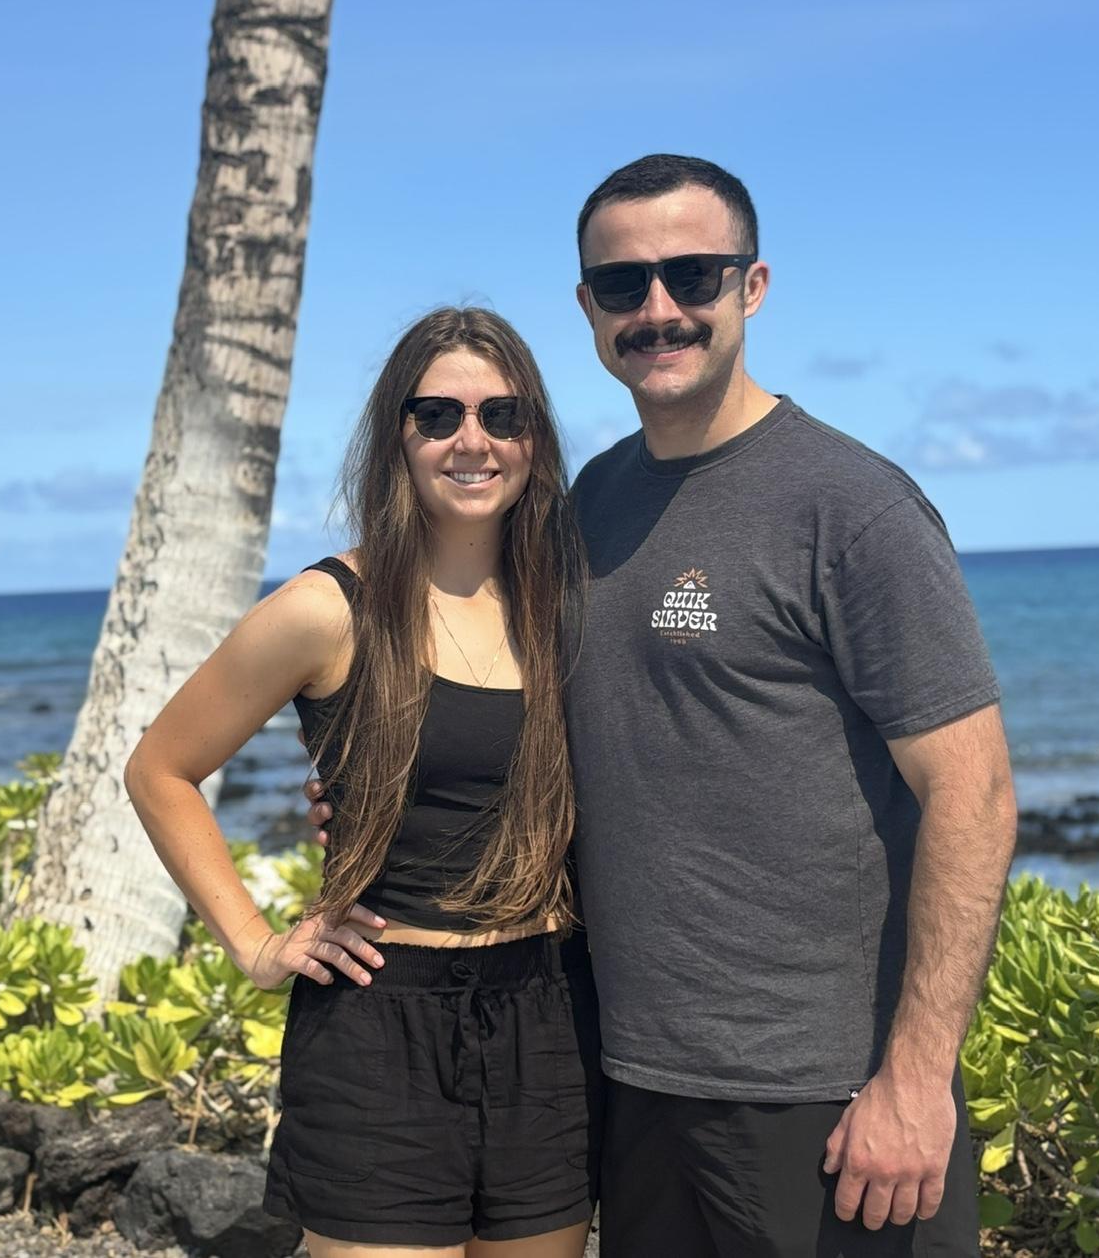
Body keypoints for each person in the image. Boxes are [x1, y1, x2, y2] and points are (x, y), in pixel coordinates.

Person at [312, 156, 1018, 1257]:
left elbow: (974, 794)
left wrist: (917, 1079)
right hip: (627, 1077)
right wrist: (371, 798)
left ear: (752, 286)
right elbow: (526, 714)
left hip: (825, 1094)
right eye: (622, 284)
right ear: (587, 307)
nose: (657, 308)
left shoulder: (851, 507)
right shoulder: (587, 502)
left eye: (691, 275)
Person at [123, 306, 601, 1258]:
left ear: (535, 439)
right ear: (398, 436)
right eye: (439, 415)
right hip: (379, 1025)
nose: (473, 441)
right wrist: (257, 945)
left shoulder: (572, 606)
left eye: (502, 415)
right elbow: (161, 770)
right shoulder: (327, 609)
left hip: (549, 1018)